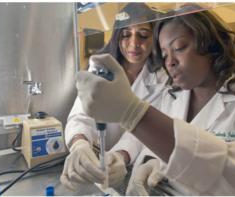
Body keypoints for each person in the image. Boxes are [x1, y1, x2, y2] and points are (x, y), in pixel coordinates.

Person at [75, 9, 235, 195]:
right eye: (165, 54)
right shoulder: (170, 96)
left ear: (211, 44)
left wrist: (133, 114)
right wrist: (125, 158)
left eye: (179, 48)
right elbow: (139, 140)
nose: (170, 62)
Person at [60, 3, 168, 191]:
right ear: (117, 36)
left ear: (155, 38)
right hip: (95, 166)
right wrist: (79, 144)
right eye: (126, 34)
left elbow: (145, 129)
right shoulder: (100, 68)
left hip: (137, 170)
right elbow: (80, 115)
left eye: (143, 35)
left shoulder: (162, 80)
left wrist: (121, 155)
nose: (134, 43)